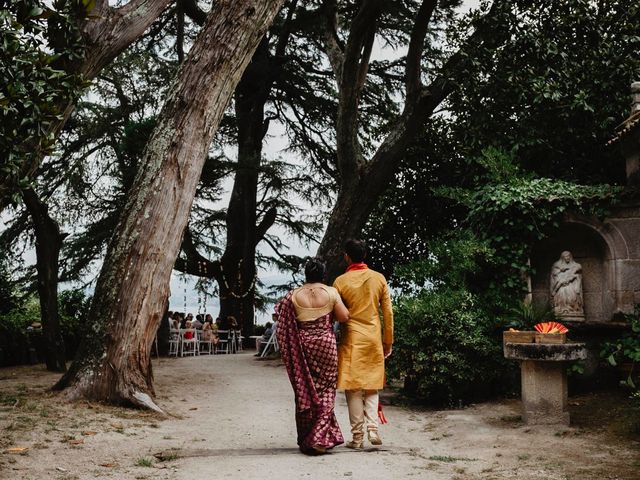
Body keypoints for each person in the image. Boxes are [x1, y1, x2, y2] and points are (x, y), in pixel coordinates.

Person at [275, 257, 349, 455]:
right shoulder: (331, 293)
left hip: (303, 346)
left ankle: (310, 436)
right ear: (323, 274)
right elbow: (344, 317)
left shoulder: (292, 295)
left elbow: (280, 319)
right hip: (326, 344)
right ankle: (318, 438)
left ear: (306, 274)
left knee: (306, 390)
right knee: (327, 390)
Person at [333, 239, 393, 449]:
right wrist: (388, 341)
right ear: (364, 255)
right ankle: (373, 428)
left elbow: (336, 314)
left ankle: (357, 437)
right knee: (371, 385)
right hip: (373, 338)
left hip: (352, 339)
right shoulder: (379, 278)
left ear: (347, 256)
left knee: (353, 388)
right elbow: (388, 313)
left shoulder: (340, 282)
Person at [550, 250, 584, 318]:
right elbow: (554, 274)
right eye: (566, 256)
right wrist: (560, 271)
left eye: (568, 256)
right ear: (562, 257)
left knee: (572, 294)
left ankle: (573, 310)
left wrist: (574, 278)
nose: (567, 258)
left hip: (571, 284)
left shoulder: (575, 265)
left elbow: (578, 275)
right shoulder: (557, 265)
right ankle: (560, 309)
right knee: (561, 290)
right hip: (561, 284)